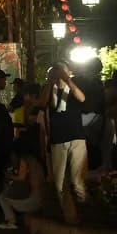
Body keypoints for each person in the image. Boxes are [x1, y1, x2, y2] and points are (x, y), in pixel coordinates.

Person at [41, 62, 88, 224]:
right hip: (58, 139)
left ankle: (85, 212)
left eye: (63, 70)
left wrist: (68, 80)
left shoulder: (75, 85)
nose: (60, 73)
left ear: (69, 71)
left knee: (77, 181)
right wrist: (50, 81)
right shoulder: (49, 88)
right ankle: (70, 218)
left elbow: (82, 98)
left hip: (77, 138)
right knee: (60, 183)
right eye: (57, 70)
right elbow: (42, 103)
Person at [0, 133, 47, 233]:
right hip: (42, 198)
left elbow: (21, 177)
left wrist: (8, 176)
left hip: (34, 200)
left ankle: (11, 221)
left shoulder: (25, 160)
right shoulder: (36, 160)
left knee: (2, 197)